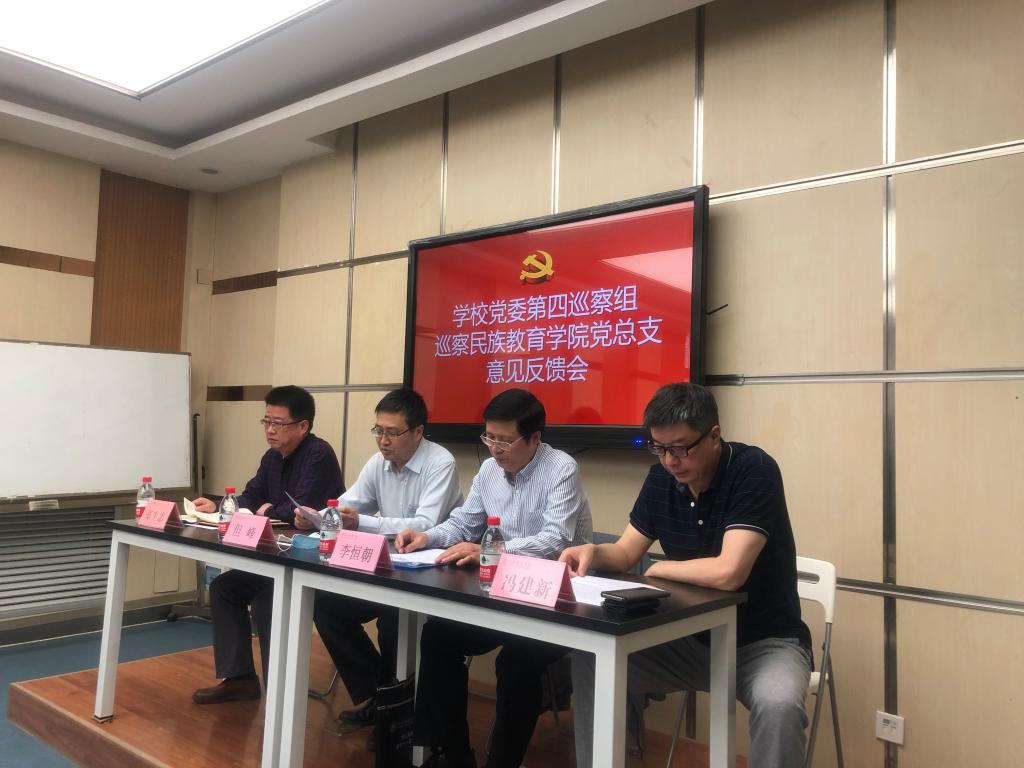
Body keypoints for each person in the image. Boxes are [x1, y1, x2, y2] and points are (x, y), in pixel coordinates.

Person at [560, 382, 812, 768]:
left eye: (680, 448)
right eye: (659, 448)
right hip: (690, 641)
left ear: (714, 435)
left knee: (779, 706)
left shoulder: (753, 470)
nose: (670, 461)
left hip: (764, 644)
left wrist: (660, 568)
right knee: (590, 661)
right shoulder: (661, 479)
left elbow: (729, 571)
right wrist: (592, 551)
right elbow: (626, 552)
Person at [395, 388, 593, 768]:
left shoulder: (561, 468)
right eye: (489, 437)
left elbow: (556, 540)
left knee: (516, 661)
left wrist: (491, 552)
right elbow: (464, 524)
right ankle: (453, 756)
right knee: (437, 636)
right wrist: (428, 537)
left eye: (505, 440)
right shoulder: (489, 471)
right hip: (501, 596)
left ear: (534, 438)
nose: (495, 449)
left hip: (556, 601)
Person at [309, 388, 463, 743]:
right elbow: (348, 504)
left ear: (418, 432)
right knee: (327, 606)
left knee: (394, 618)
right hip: (387, 568)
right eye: (378, 430)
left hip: (431, 572)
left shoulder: (440, 462)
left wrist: (361, 521)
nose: (383, 440)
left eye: (392, 432)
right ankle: (381, 699)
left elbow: (425, 525)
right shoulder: (378, 462)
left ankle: (397, 714)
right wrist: (318, 516)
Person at [191, 385, 344, 705]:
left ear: (302, 426)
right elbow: (250, 497)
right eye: (266, 422)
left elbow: (297, 511)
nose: (270, 430)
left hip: (313, 562)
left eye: (278, 423)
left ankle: (281, 692)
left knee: (267, 598)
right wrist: (218, 505)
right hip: (277, 557)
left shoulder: (318, 454)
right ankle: (240, 679)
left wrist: (267, 510)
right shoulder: (272, 457)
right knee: (224, 588)